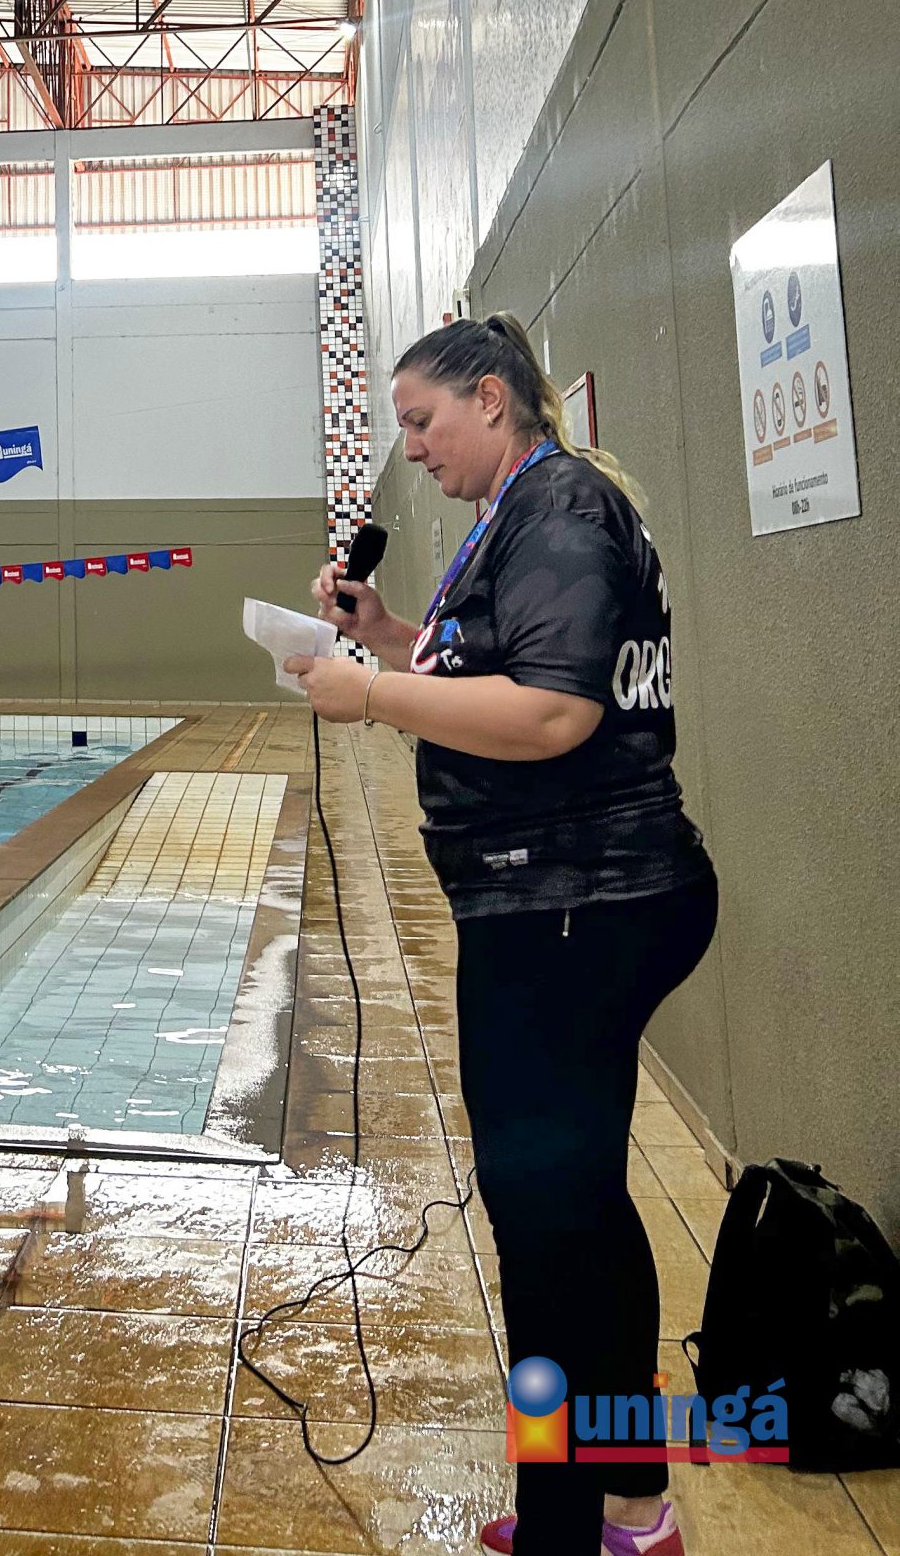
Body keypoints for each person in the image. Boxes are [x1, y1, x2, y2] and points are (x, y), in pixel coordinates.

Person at [286, 314, 717, 1556]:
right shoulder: (525, 508)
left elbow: (549, 714)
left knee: (542, 1228)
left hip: (574, 903)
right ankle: (628, 1503)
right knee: (580, 1206)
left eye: (422, 421)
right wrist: (385, 637)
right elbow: (498, 670)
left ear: (491, 397)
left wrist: (371, 695)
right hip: (575, 898)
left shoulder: (558, 508)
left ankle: (567, 1523)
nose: (413, 447)